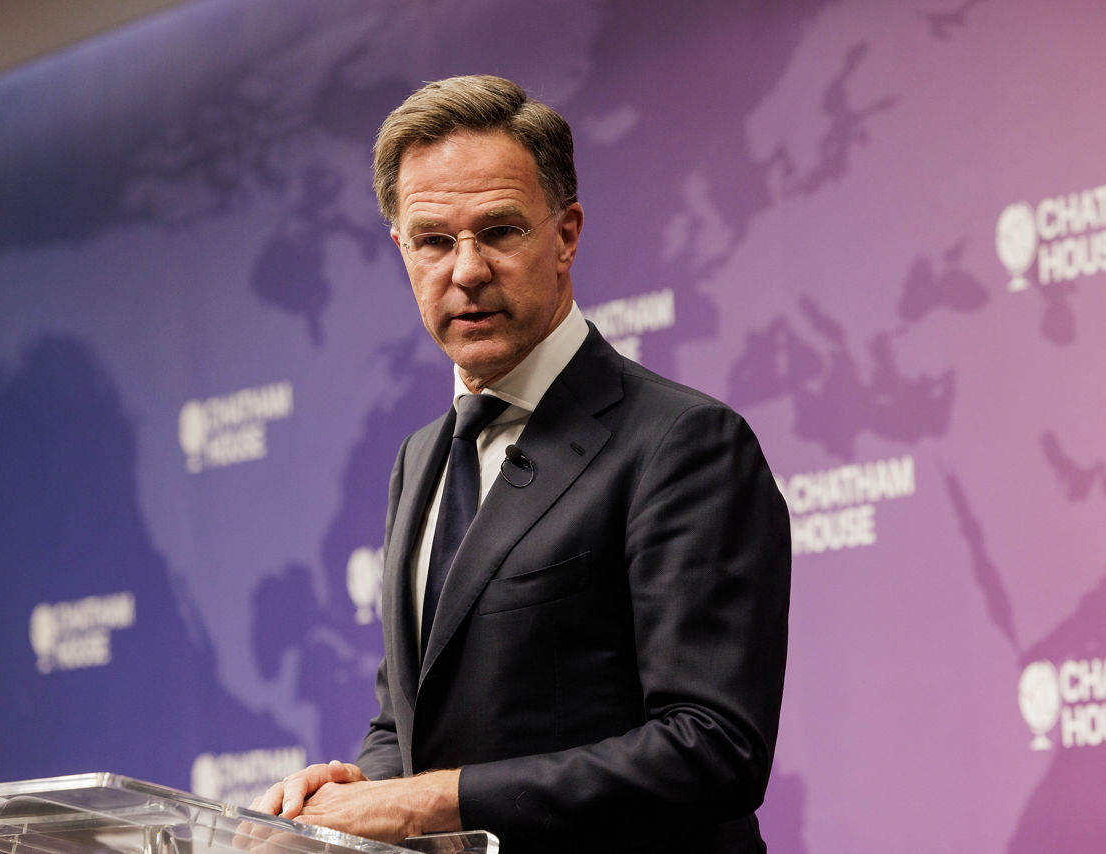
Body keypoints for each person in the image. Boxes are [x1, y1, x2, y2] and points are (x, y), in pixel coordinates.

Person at [252, 75, 790, 854]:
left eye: (498, 230)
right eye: (434, 240)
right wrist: (355, 792)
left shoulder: (684, 443)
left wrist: (426, 803)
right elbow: (409, 718)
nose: (465, 270)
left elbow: (711, 747)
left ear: (565, 233)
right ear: (402, 249)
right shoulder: (421, 457)